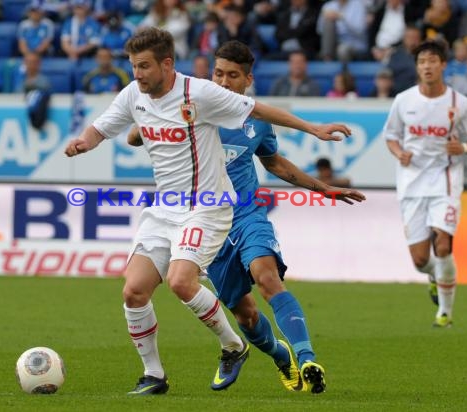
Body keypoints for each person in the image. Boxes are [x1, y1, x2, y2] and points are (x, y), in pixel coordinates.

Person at [64, 27, 351, 395]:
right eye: (133, 66)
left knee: (199, 281)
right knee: (135, 291)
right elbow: (107, 127)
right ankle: (155, 375)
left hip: (214, 208)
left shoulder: (201, 95)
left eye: (143, 66)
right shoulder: (135, 93)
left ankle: (266, 350)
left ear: (167, 63)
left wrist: (314, 131)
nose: (137, 74)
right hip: (165, 208)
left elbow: (263, 123)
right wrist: (84, 143)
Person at [383, 40, 467, 328]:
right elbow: (390, 136)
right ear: (417, 67)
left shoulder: (458, 103)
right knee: (420, 259)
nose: (427, 66)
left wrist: (464, 149)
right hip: (412, 183)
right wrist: (399, 152)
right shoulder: (404, 100)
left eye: (432, 61)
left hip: (445, 180)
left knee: (443, 245)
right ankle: (435, 276)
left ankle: (445, 313)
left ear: (443, 65)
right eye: (422, 62)